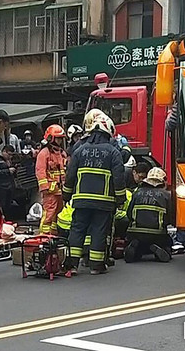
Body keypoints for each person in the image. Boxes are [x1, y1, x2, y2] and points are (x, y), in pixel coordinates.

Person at [63, 114, 126, 275]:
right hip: (103, 202)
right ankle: (96, 266)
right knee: (99, 231)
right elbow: (119, 178)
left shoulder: (79, 150)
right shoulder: (113, 152)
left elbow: (70, 175)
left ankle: (72, 265)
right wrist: (120, 199)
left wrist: (66, 195)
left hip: (81, 201)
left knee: (77, 230)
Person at [124, 167, 172, 263]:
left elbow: (129, 213)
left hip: (135, 232)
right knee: (168, 242)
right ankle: (160, 248)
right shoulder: (166, 195)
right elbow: (170, 217)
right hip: (157, 234)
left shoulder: (136, 193)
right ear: (163, 181)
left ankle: (135, 248)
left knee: (139, 248)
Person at [35, 125, 67, 235]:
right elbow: (40, 171)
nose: (59, 141)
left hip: (60, 191)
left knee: (58, 215)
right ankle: (44, 236)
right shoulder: (44, 153)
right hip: (50, 191)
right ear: (51, 138)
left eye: (61, 138)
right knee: (49, 214)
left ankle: (54, 235)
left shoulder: (62, 153)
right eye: (57, 138)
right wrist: (44, 188)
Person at [0, 144, 17, 221]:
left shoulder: (8, 160)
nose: (10, 157)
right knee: (1, 206)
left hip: (9, 186)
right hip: (1, 187)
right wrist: (8, 171)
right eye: (9, 154)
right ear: (4, 151)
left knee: (8, 206)